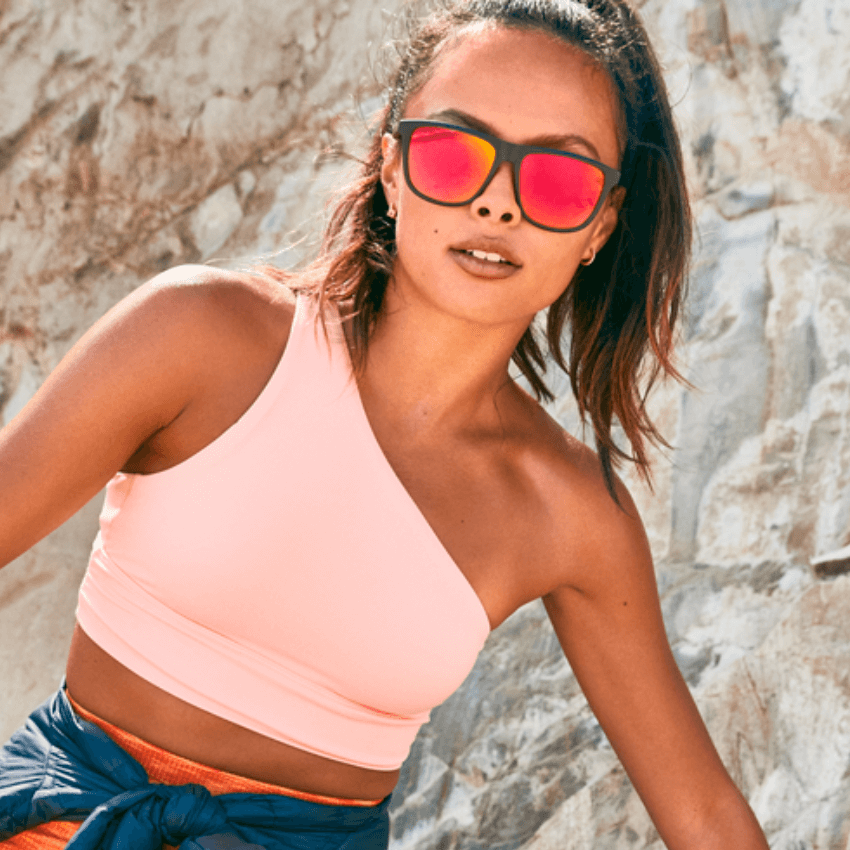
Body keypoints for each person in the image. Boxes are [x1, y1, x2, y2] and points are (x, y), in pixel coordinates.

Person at [0, 0, 770, 847]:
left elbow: (705, 814)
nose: (497, 205)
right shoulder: (198, 335)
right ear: (393, 165)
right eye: (454, 152)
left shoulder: (573, 516)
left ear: (600, 226)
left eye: (557, 176)